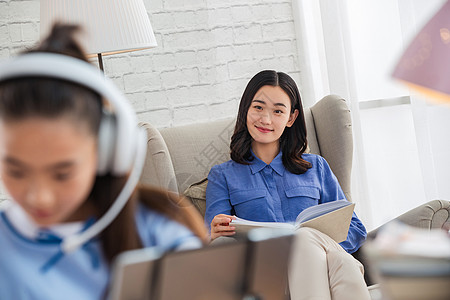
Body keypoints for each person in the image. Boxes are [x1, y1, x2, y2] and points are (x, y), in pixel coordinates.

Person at [0, 24, 207, 300]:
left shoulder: (161, 232)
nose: (40, 197)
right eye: (15, 171)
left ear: (109, 151)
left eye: (62, 174)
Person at [205, 70, 371, 300]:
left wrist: (314, 247)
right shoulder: (222, 176)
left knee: (310, 243)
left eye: (278, 111)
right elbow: (212, 241)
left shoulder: (316, 167)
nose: (266, 119)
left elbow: (355, 228)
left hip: (327, 265)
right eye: (258, 107)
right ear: (246, 109)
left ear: (291, 118)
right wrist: (212, 234)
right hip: (271, 277)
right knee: (336, 259)